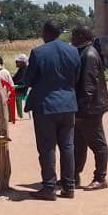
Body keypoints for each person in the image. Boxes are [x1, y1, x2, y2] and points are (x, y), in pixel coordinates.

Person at [23, 21, 81, 200]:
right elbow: (76, 77)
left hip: (46, 107)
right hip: (68, 105)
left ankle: (49, 187)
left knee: (47, 147)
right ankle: (69, 187)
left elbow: (29, 80)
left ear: (45, 33)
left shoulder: (38, 52)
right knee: (68, 147)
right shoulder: (73, 51)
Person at [71, 26, 108, 191]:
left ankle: (100, 178)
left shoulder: (89, 55)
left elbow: (88, 86)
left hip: (90, 108)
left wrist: (81, 109)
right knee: (78, 143)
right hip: (85, 107)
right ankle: (73, 176)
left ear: (81, 36)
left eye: (73, 35)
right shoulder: (84, 52)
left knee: (97, 144)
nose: (71, 38)